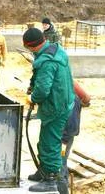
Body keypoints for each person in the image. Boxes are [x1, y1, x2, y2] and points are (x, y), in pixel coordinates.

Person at [23, 28, 75, 193]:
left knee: (50, 143)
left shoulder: (47, 62)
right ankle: (44, 171)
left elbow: (44, 89)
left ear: (31, 46)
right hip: (61, 102)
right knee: (44, 140)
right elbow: (42, 80)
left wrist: (33, 98)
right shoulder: (55, 51)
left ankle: (51, 179)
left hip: (55, 107)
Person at [27, 80, 91, 194]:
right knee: (44, 148)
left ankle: (60, 187)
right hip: (58, 130)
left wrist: (64, 139)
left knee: (59, 161)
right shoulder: (59, 90)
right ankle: (42, 172)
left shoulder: (67, 97)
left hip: (64, 134)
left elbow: (71, 124)